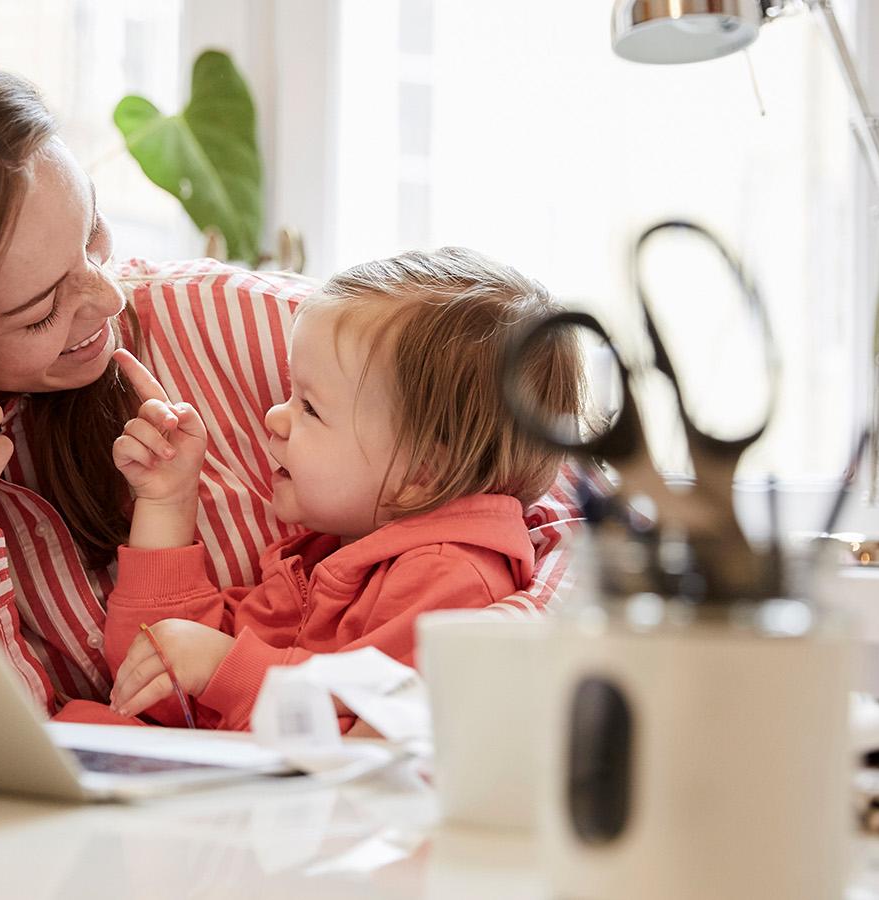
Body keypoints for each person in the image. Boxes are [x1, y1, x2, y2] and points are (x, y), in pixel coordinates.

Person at [0, 41, 582, 714]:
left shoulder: (252, 330)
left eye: (94, 237)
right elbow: (15, 751)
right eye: (38, 310)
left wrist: (461, 668)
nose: (109, 296)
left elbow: (555, 503)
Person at [92, 248, 583, 730]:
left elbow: (374, 731)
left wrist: (225, 665)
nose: (273, 417)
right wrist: (166, 501)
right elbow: (159, 685)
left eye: (310, 407)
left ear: (421, 477)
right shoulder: (328, 553)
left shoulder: (447, 574)